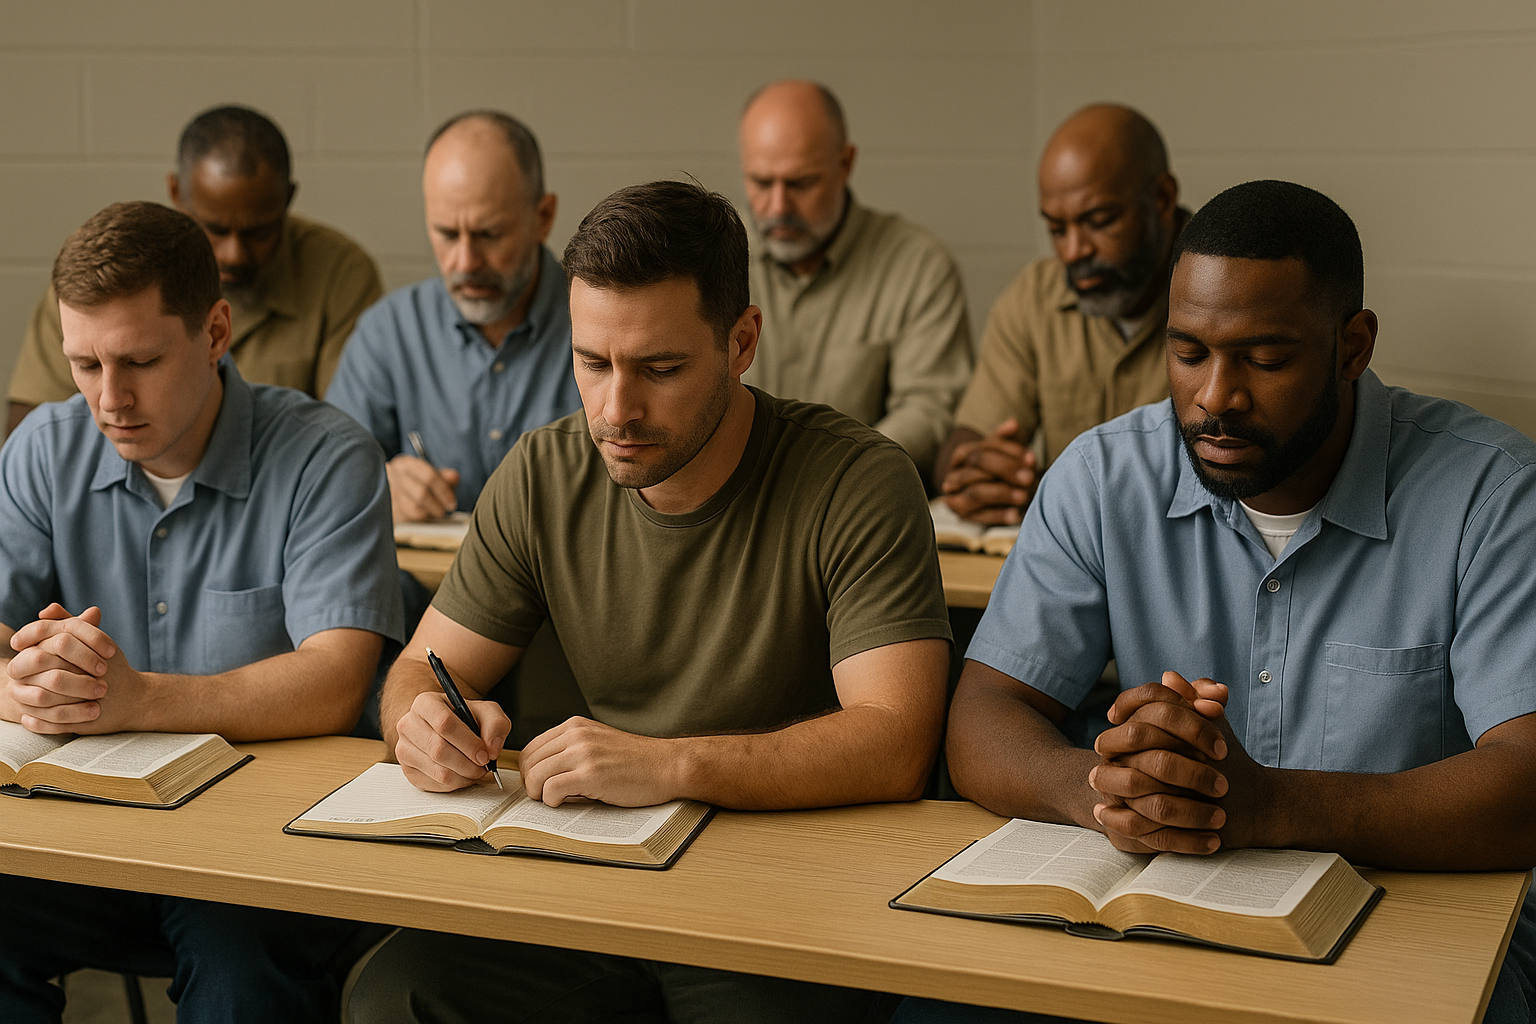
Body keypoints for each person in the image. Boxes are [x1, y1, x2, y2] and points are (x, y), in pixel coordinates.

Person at [900, 180, 1536, 1024]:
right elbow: (984, 712)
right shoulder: (1100, 478)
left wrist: (1268, 807)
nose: (1215, 397)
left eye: (1265, 359)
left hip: (1414, 920)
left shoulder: (1492, 497)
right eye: (1189, 352)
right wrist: (1114, 787)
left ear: (1353, 347)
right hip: (1167, 909)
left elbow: (1525, 781)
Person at [345, 179, 953, 1024]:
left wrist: (670, 765)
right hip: (593, 883)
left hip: (781, 896)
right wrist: (421, 726)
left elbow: (896, 743)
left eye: (661, 369)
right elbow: (421, 667)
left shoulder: (857, 480)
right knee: (392, 999)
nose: (616, 410)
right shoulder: (542, 472)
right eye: (592, 364)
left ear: (742, 342)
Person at [0, 202, 403, 1022]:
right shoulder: (43, 449)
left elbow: (334, 681)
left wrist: (138, 701)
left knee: (241, 980)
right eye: (84, 365)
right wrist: (22, 689)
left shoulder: (328, 457)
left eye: (139, 360)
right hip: (82, 845)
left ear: (216, 332)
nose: (108, 399)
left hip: (260, 859)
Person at [6, 105, 382, 434]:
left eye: (260, 232)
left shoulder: (340, 273)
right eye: (215, 229)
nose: (234, 254)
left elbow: (349, 431)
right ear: (176, 194)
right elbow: (32, 429)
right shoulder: (103, 276)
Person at [326, 110, 581, 525]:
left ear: (544, 217)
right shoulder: (389, 332)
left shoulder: (605, 327)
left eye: (489, 234)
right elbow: (326, 477)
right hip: (424, 589)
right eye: (446, 234)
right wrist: (379, 485)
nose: (465, 261)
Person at [935, 104, 1184, 526]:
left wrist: (1060, 488)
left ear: (1161, 199)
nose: (1073, 252)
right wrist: (974, 472)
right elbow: (967, 439)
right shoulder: (1034, 297)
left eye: (1099, 221)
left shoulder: (1228, 292)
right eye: (1056, 229)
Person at [738, 79, 972, 479]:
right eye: (761, 183)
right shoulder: (713, 260)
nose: (778, 206)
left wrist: (834, 477)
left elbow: (929, 409)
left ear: (845, 164)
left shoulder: (919, 265)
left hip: (859, 504)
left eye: (800, 184)